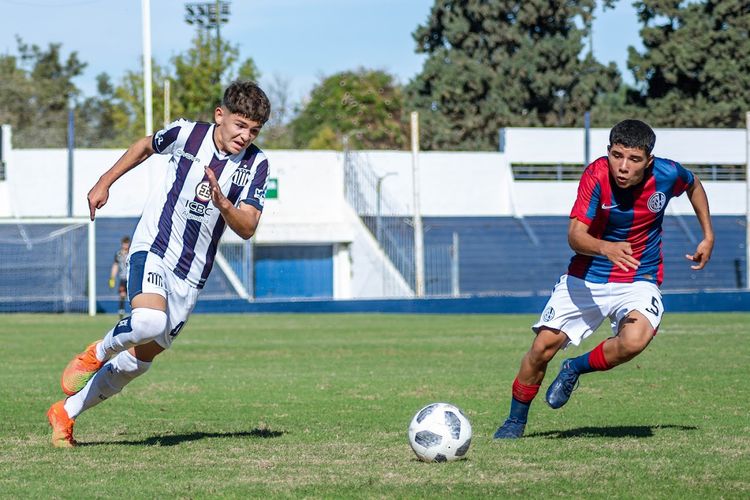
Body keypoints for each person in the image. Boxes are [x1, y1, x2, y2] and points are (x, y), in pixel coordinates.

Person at [46, 81, 271, 447]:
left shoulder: (257, 164)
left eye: (254, 130)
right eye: (240, 125)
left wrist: (223, 204)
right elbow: (145, 146)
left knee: (139, 361)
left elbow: (247, 227)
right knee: (150, 320)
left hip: (192, 275)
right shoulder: (187, 134)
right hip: (154, 246)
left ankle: (64, 413)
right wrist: (105, 182)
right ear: (220, 115)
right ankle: (95, 353)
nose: (245, 136)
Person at [493, 119, 714, 439]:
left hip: (639, 277)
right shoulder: (595, 176)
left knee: (635, 341)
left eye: (634, 159)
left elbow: (693, 184)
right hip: (587, 277)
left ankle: (575, 368)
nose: (623, 166)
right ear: (608, 152)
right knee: (542, 348)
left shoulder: (668, 174)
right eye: (616, 155)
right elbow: (574, 236)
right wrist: (605, 248)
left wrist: (708, 235)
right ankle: (515, 421)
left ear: (649, 161)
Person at [109, 236, 131, 318]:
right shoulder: (118, 254)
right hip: (123, 278)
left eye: (127, 244)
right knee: (122, 294)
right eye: (124, 244)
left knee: (132, 295)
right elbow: (115, 265)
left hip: (131, 278)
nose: (125, 245)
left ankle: (134, 311)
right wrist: (112, 277)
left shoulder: (131, 253)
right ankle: (121, 311)